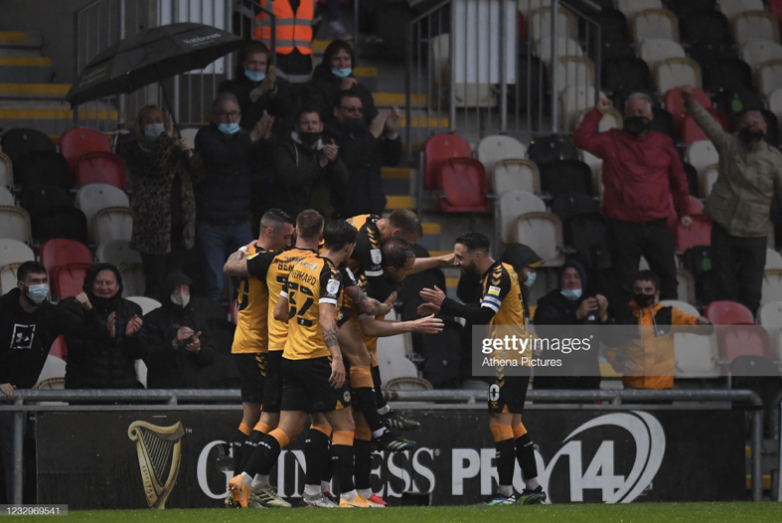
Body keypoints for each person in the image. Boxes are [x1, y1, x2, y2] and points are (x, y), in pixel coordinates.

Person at [228, 220, 367, 509]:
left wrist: (302, 322)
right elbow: (328, 319)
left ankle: (244, 477)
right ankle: (350, 497)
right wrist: (337, 356)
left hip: (289, 356)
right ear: (349, 246)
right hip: (315, 358)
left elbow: (279, 312)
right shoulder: (331, 272)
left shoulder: (298, 267)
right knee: (345, 425)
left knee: (285, 428)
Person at [418, 232, 546, 505]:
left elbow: (485, 314)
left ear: (478, 256)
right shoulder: (500, 273)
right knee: (514, 422)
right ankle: (533, 486)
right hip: (516, 356)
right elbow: (483, 310)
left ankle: (505, 492)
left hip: (504, 358)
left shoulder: (498, 274)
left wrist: (447, 303)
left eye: (461, 257)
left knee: (499, 422)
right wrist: (446, 309)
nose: (458, 262)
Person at [573, 93, 692, 304]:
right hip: (622, 226)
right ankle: (627, 333)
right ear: (623, 117)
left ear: (651, 115)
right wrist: (597, 113)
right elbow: (580, 139)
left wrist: (684, 211)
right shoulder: (611, 140)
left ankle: (670, 328)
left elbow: (678, 180)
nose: (636, 116)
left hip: (657, 225)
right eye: (631, 113)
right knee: (624, 284)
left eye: (641, 112)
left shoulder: (663, 143)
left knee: (667, 281)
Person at [0, 262, 98, 502]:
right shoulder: (2, 309)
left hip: (17, 396)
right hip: (3, 390)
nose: (40, 287)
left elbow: (91, 335)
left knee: (14, 456)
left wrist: (89, 310)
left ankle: (15, 509)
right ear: (20, 285)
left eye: (44, 281)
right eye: (34, 282)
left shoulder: (50, 314)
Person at [681, 84, 782, 315]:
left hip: (755, 235)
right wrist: (690, 101)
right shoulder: (728, 145)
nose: (751, 127)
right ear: (739, 127)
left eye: (756, 124)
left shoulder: (775, 160)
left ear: (765, 128)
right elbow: (708, 124)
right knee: (724, 288)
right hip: (725, 229)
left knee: (752, 292)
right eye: (746, 124)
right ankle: (725, 332)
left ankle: (747, 332)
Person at [221, 208, 295, 474]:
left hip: (244, 342)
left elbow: (229, 264)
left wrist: (242, 247)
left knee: (251, 419)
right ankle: (249, 482)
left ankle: (240, 483)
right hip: (258, 346)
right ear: (269, 231)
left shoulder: (249, 254)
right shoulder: (270, 260)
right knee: (268, 420)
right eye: (286, 237)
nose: (289, 244)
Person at [194, 92, 276, 302]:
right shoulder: (205, 137)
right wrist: (253, 136)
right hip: (212, 224)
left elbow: (266, 166)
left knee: (247, 281)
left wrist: (265, 138)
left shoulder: (245, 138)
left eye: (234, 114)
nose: (230, 119)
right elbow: (222, 157)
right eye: (224, 114)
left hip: (239, 222)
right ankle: (214, 329)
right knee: (215, 284)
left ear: (240, 116)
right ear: (214, 116)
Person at [123, 105, 198, 302]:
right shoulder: (134, 149)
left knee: (176, 282)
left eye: (159, 120)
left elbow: (198, 175)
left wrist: (188, 153)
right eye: (149, 121)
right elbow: (156, 164)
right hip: (152, 231)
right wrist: (167, 137)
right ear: (140, 126)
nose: (156, 125)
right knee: (156, 283)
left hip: (179, 227)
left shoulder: (173, 147)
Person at [604, 270, 711, 390]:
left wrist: (705, 326)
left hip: (662, 386)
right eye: (638, 290)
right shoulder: (623, 317)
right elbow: (611, 348)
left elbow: (694, 324)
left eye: (648, 290)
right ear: (633, 291)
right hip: (633, 385)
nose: (642, 294)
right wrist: (619, 364)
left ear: (657, 293)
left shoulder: (668, 314)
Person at [60, 264, 146, 389]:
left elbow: (139, 352)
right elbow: (78, 350)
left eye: (109, 283)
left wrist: (132, 337)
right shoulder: (75, 308)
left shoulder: (131, 310)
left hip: (123, 392)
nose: (104, 287)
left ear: (118, 286)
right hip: (83, 390)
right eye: (99, 282)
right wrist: (102, 330)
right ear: (90, 284)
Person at [323, 91, 402, 217]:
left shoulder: (367, 132)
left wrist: (392, 133)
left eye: (360, 110)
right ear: (336, 111)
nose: (357, 113)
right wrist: (372, 135)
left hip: (373, 210)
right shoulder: (330, 134)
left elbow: (393, 159)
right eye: (351, 109)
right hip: (343, 213)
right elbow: (347, 157)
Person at [533, 260, 608, 389]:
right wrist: (575, 315)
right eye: (567, 277)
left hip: (586, 385)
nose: (572, 281)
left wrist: (604, 317)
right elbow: (545, 331)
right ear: (560, 280)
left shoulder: (593, 304)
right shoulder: (547, 304)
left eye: (577, 276)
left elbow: (613, 341)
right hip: (552, 384)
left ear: (583, 280)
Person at [274, 105, 350, 220]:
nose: (310, 127)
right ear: (297, 126)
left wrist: (335, 161)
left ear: (321, 126)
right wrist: (319, 164)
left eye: (314, 123)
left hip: (322, 218)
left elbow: (344, 181)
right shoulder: (285, 148)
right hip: (294, 218)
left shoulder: (327, 149)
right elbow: (288, 178)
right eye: (306, 123)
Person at [141, 271, 216, 388]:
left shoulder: (198, 318)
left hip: (194, 390)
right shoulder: (153, 319)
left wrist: (198, 348)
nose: (181, 294)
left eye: (185, 289)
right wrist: (173, 344)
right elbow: (149, 358)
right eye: (177, 289)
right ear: (168, 290)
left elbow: (210, 357)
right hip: (163, 388)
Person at [217, 42, 294, 134]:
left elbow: (285, 112)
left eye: (262, 64)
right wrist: (258, 92)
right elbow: (232, 110)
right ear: (243, 63)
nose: (257, 67)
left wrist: (272, 90)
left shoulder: (279, 87)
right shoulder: (229, 86)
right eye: (253, 63)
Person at [308, 40, 379, 125]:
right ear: (328, 62)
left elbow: (371, 115)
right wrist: (342, 92)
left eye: (346, 59)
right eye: (337, 59)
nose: (342, 64)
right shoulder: (315, 87)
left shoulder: (360, 88)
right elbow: (318, 117)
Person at [253, 0, 316, 92]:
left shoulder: (311, 1)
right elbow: (241, 23)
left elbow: (314, 24)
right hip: (268, 61)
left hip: (301, 65)